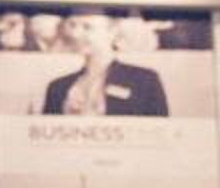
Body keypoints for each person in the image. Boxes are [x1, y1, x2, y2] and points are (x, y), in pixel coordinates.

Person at [41, 10, 169, 117]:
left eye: (87, 27)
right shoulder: (57, 88)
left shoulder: (144, 81)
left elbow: (162, 133)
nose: (76, 34)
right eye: (72, 25)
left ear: (112, 31)